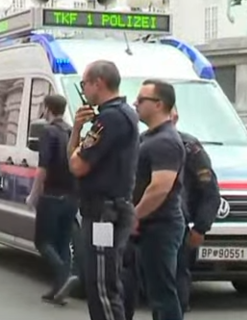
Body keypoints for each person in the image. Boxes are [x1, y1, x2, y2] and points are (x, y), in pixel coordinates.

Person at [67, 60, 139, 320]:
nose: (84, 90)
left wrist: (78, 135)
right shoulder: (123, 113)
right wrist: (77, 128)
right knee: (104, 280)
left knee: (101, 284)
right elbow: (75, 160)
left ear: (98, 83)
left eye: (84, 84)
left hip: (103, 212)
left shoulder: (110, 118)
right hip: (109, 207)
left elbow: (76, 165)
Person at [125, 79, 185, 320]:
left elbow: (160, 187)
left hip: (160, 226)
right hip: (149, 225)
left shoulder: (166, 141)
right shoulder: (149, 137)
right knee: (153, 291)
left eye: (141, 99)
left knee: (162, 293)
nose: (135, 103)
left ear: (159, 104)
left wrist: (134, 215)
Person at [26, 93, 78, 305]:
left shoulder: (48, 132)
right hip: (72, 196)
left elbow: (43, 167)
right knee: (63, 241)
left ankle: (64, 276)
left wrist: (33, 195)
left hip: (52, 195)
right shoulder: (71, 130)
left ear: (47, 108)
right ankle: (59, 289)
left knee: (43, 241)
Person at [171, 107, 220, 313]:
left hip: (175, 221)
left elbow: (210, 191)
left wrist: (201, 227)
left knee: (178, 272)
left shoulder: (190, 147)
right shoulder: (141, 141)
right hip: (142, 222)